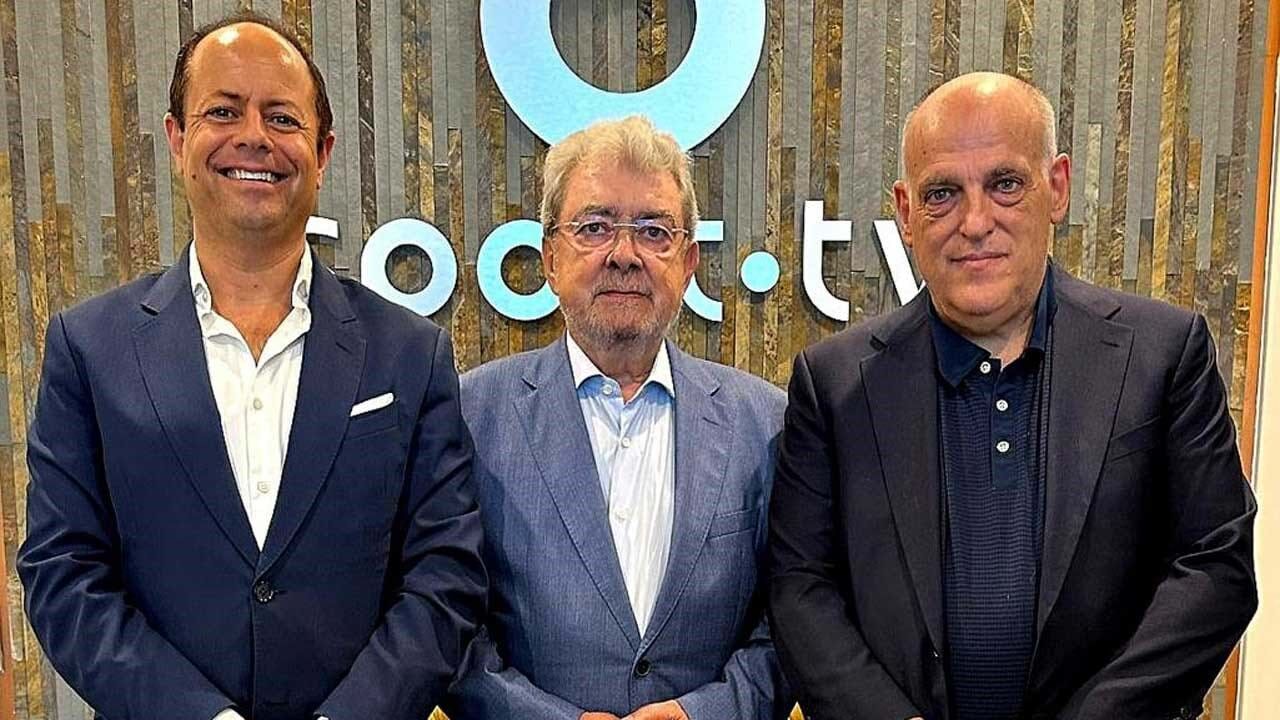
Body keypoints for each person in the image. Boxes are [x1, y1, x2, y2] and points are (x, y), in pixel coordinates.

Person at [17, 13, 486, 720]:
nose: (254, 137)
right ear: (177, 138)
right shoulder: (89, 349)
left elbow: (445, 574)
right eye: (223, 111)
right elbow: (64, 574)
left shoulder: (410, 353)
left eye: (282, 118)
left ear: (323, 152)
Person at [767, 71, 1257, 720]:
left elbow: (1216, 562)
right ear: (907, 214)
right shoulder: (833, 385)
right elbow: (801, 585)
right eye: (942, 193)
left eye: (1005, 184)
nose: (975, 222)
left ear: (1057, 187)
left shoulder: (1164, 354)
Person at [444, 115, 790, 720]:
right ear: (550, 258)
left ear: (688, 262)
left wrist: (702, 715)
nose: (624, 255)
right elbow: (446, 622)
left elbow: (791, 623)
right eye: (595, 227)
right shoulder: (472, 415)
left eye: (654, 231)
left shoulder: (765, 423)